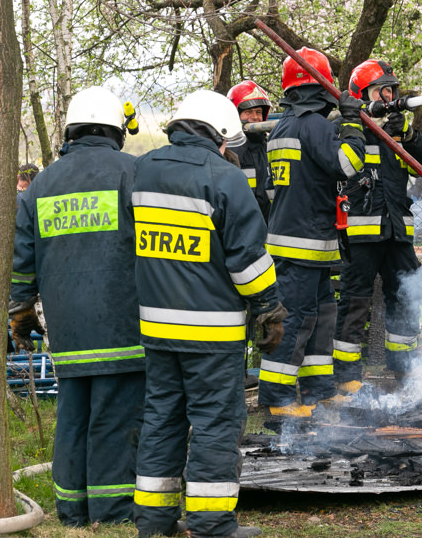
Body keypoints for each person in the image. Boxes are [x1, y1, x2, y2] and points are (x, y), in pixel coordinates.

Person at [132, 89, 284, 538]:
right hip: (211, 332)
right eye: (227, 142)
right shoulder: (225, 178)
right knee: (217, 423)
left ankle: (155, 522)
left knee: (161, 417)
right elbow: (247, 261)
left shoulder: (142, 169)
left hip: (156, 328)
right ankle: (211, 524)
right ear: (218, 134)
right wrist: (268, 307)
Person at [9, 86, 146, 525]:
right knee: (114, 416)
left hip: (65, 328)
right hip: (123, 321)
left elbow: (22, 259)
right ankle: (112, 511)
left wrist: (21, 310)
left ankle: (71, 511)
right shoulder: (134, 172)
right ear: (115, 129)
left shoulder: (41, 184)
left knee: (72, 417)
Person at [257, 47, 366, 417]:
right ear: (322, 89)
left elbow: (275, 191)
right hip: (304, 245)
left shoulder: (282, 128)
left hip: (300, 243)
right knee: (297, 320)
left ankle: (318, 389)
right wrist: (351, 122)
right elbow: (348, 165)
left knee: (321, 316)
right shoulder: (316, 126)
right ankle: (277, 400)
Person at [333, 59, 422, 392]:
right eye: (383, 90)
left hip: (397, 232)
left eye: (393, 90)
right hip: (362, 233)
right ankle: (348, 379)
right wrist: (359, 121)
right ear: (362, 94)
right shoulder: (348, 128)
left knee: (406, 296)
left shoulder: (396, 131)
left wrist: (407, 133)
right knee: (354, 301)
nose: (391, 96)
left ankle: (404, 372)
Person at [227, 81, 274, 223]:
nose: (255, 117)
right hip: (239, 228)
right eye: (248, 112)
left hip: (269, 227)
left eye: (258, 112)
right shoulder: (227, 151)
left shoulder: (269, 147)